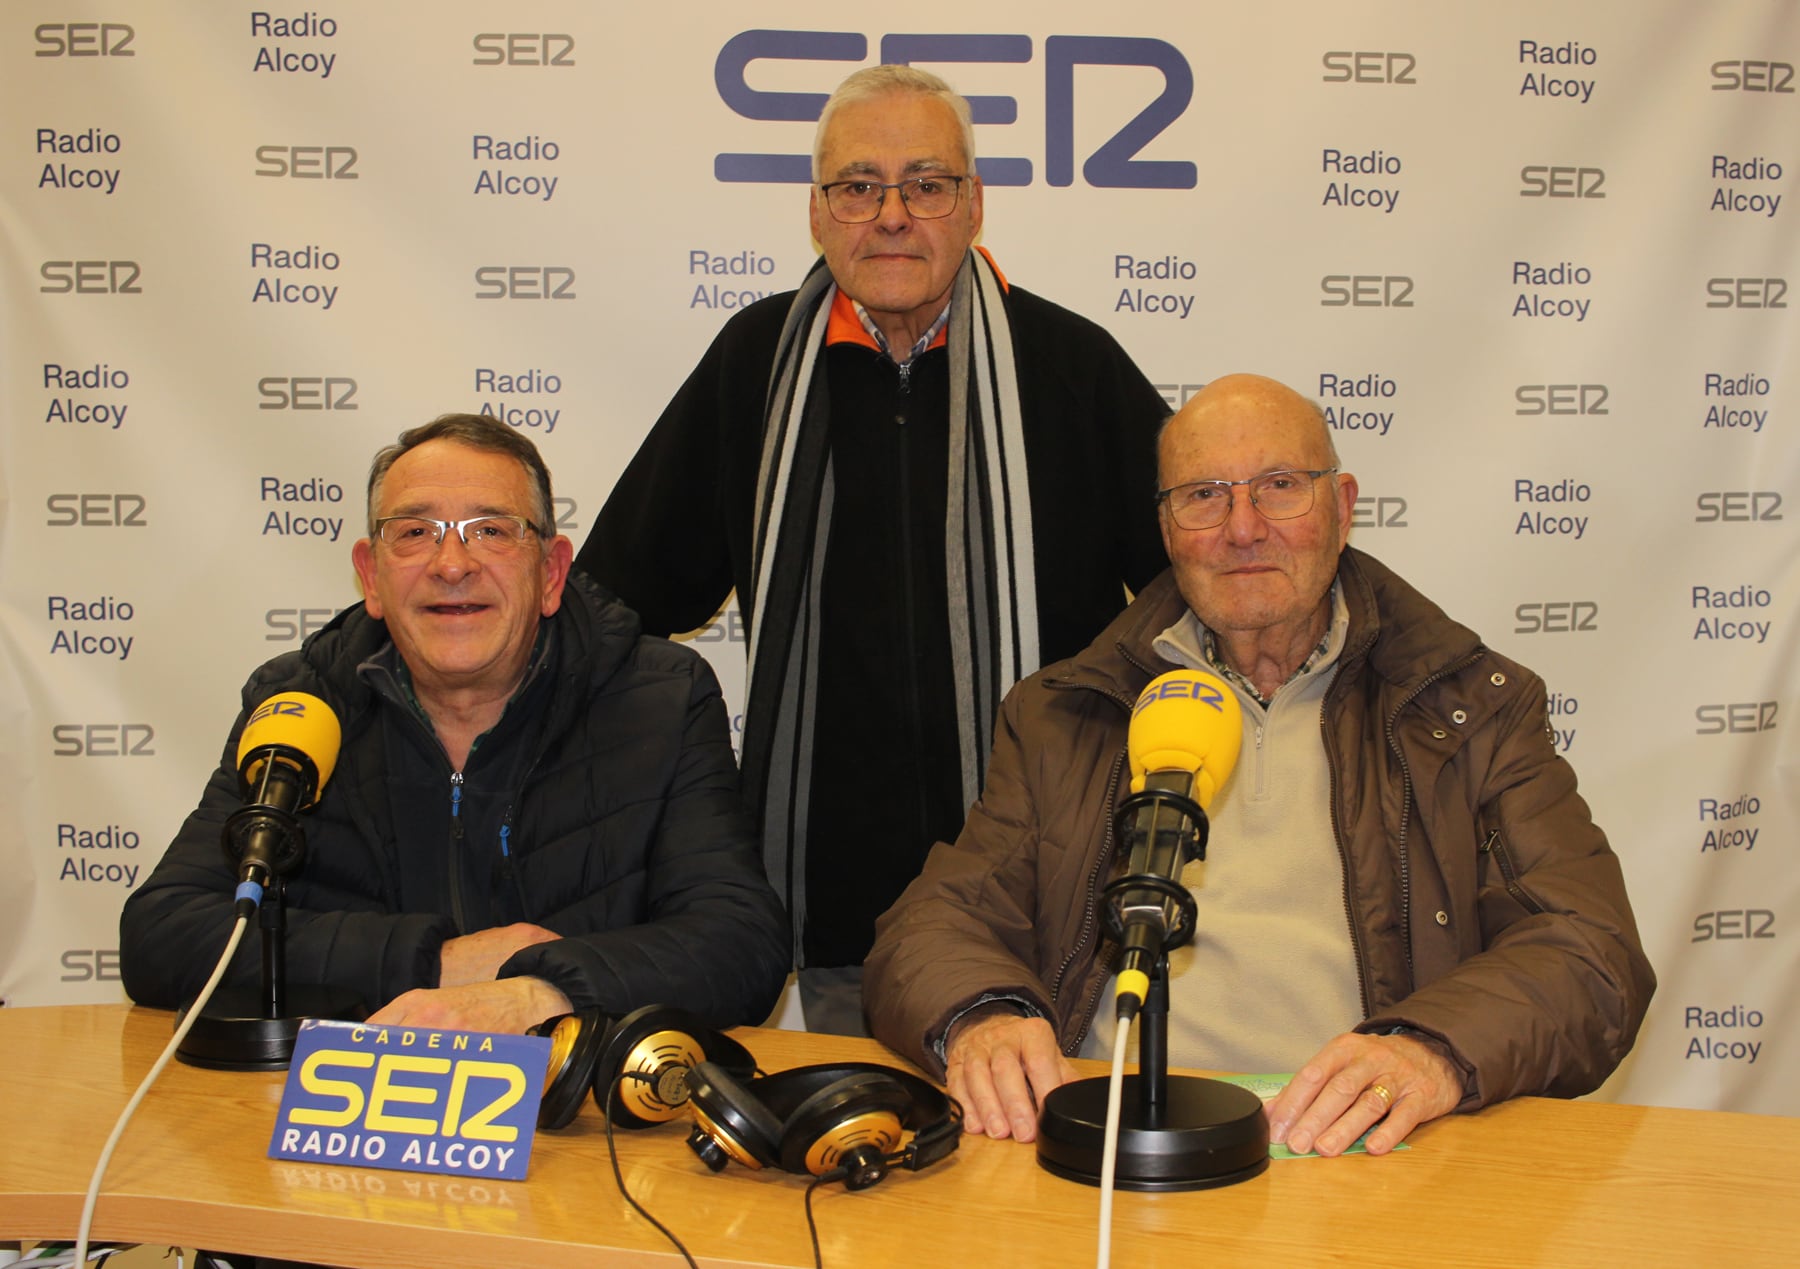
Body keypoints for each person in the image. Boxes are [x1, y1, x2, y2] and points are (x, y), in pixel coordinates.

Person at [864, 373, 1655, 1156]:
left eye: (1280, 487)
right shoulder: (1069, 711)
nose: (1243, 529)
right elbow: (935, 922)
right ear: (1167, 530)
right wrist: (981, 1013)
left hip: (1354, 1148)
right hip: (1108, 1147)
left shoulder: (1468, 706)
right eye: (1204, 496)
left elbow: (1590, 948)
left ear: (1342, 508)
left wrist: (1433, 1047)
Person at [578, 66, 1169, 1032]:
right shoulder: (755, 365)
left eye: (926, 184)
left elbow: (1193, 599)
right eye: (858, 187)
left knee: (1043, 1170)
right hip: (836, 909)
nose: (891, 214)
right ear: (817, 214)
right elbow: (621, 596)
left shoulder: (1069, 366)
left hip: (1057, 903)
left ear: (973, 206)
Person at [121, 413, 788, 1033]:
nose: (451, 564)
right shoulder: (301, 702)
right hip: (351, 1121)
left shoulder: (659, 699)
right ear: (372, 577)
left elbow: (740, 943)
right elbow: (164, 934)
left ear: (552, 571)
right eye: (414, 533)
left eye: (491, 530)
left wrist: (540, 990)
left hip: (580, 1122)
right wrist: (436, 962)